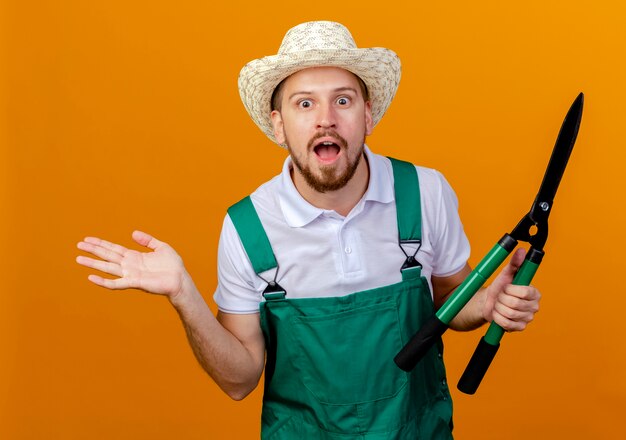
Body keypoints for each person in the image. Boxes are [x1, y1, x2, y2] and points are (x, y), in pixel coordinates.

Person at [76, 21, 540, 439]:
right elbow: (239, 381)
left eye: (343, 99)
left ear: (368, 114)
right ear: (279, 125)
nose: (326, 118)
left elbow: (450, 303)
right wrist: (184, 294)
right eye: (304, 103)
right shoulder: (248, 227)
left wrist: (488, 301)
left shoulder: (425, 192)